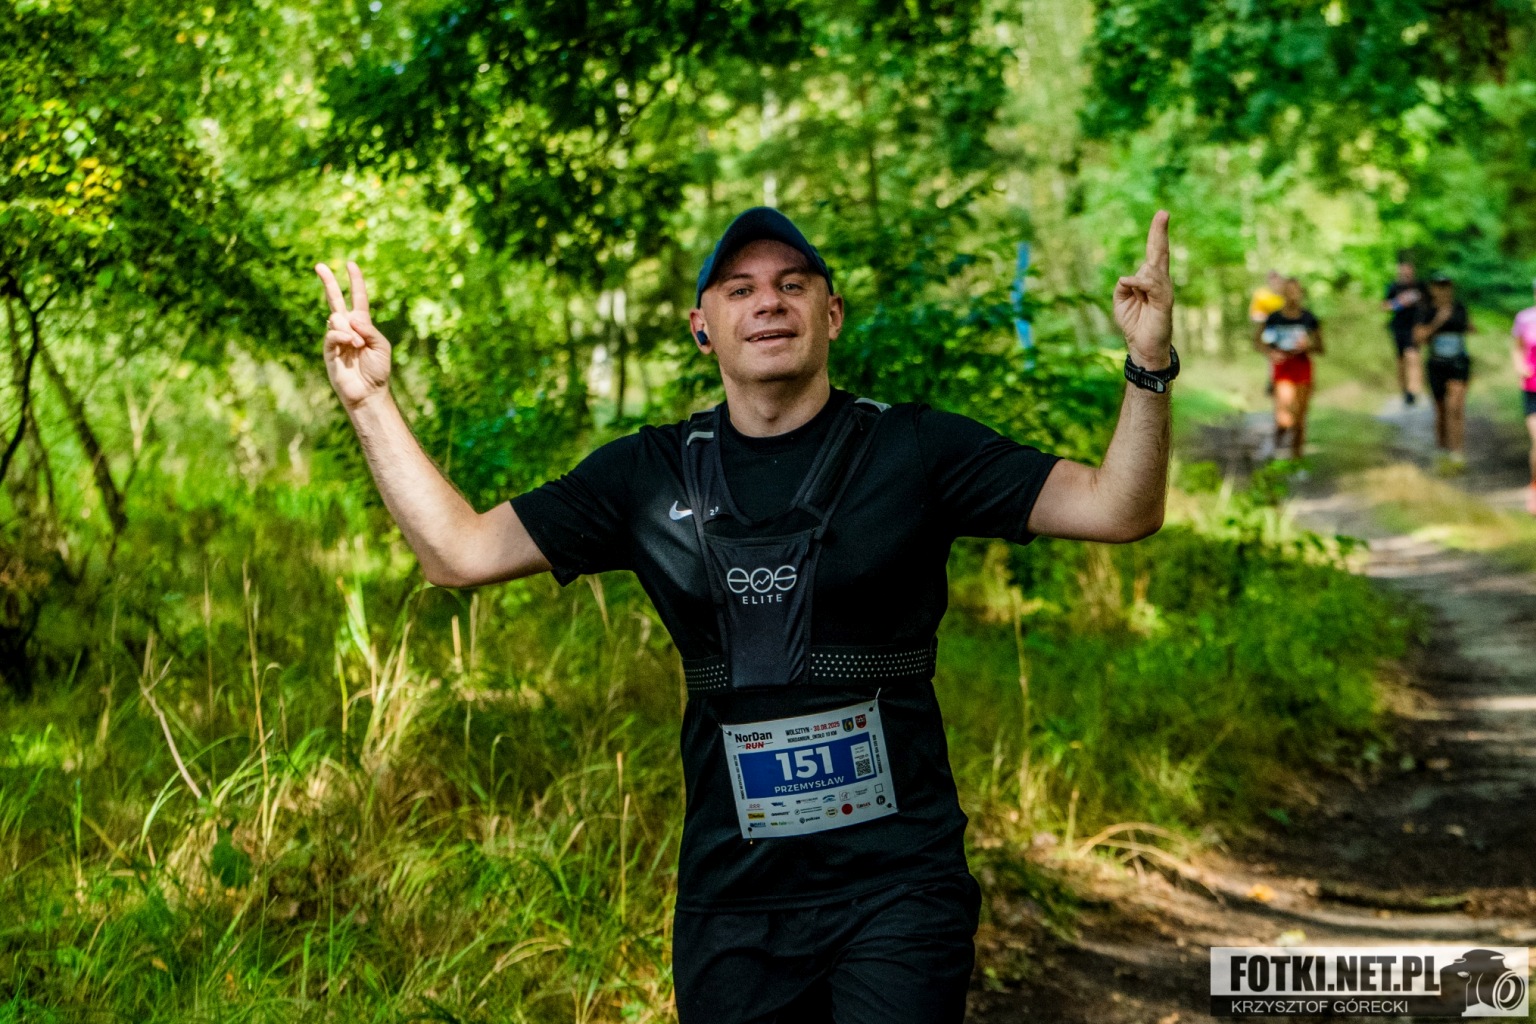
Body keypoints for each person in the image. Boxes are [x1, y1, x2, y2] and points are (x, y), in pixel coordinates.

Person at [315, 206, 1176, 1024]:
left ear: (832, 315)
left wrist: (1148, 364)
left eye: (793, 284)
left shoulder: (916, 448)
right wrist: (369, 403)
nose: (769, 301)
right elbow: (460, 553)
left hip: (899, 888)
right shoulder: (647, 474)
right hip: (734, 902)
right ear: (703, 328)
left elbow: (1119, 508)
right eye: (740, 288)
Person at [1254, 277, 1323, 464]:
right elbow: (1258, 341)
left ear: (1301, 293)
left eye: (1296, 291)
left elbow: (1321, 347)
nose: (1293, 295)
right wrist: (1270, 353)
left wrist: (1308, 347)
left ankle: (1297, 461)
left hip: (1303, 368)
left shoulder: (1309, 318)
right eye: (1289, 291)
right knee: (1284, 419)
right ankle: (1273, 447)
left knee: (1299, 420)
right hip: (1283, 369)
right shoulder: (1274, 318)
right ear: (1283, 294)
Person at [1415, 273, 1474, 471]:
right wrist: (1438, 321)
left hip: (1458, 363)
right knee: (1441, 410)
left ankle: (1458, 452)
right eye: (1439, 286)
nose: (1443, 290)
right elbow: (1418, 337)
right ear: (1432, 289)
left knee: (1456, 407)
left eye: (1446, 286)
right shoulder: (1426, 310)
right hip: (1437, 364)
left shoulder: (1459, 308)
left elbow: (1469, 327)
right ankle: (1442, 449)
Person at [1383, 252, 1424, 405]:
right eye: (1403, 270)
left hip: (1414, 327)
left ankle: (1414, 390)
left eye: (1408, 270)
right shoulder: (1393, 287)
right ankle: (1405, 391)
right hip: (1399, 327)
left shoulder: (1420, 286)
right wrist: (1399, 303)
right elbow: (1384, 306)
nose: (1406, 273)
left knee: (1413, 357)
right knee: (1401, 360)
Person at [1512, 279, 1536, 514]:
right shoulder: (1525, 318)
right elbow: (1517, 348)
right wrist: (1520, 366)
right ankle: (1534, 487)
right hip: (1532, 388)